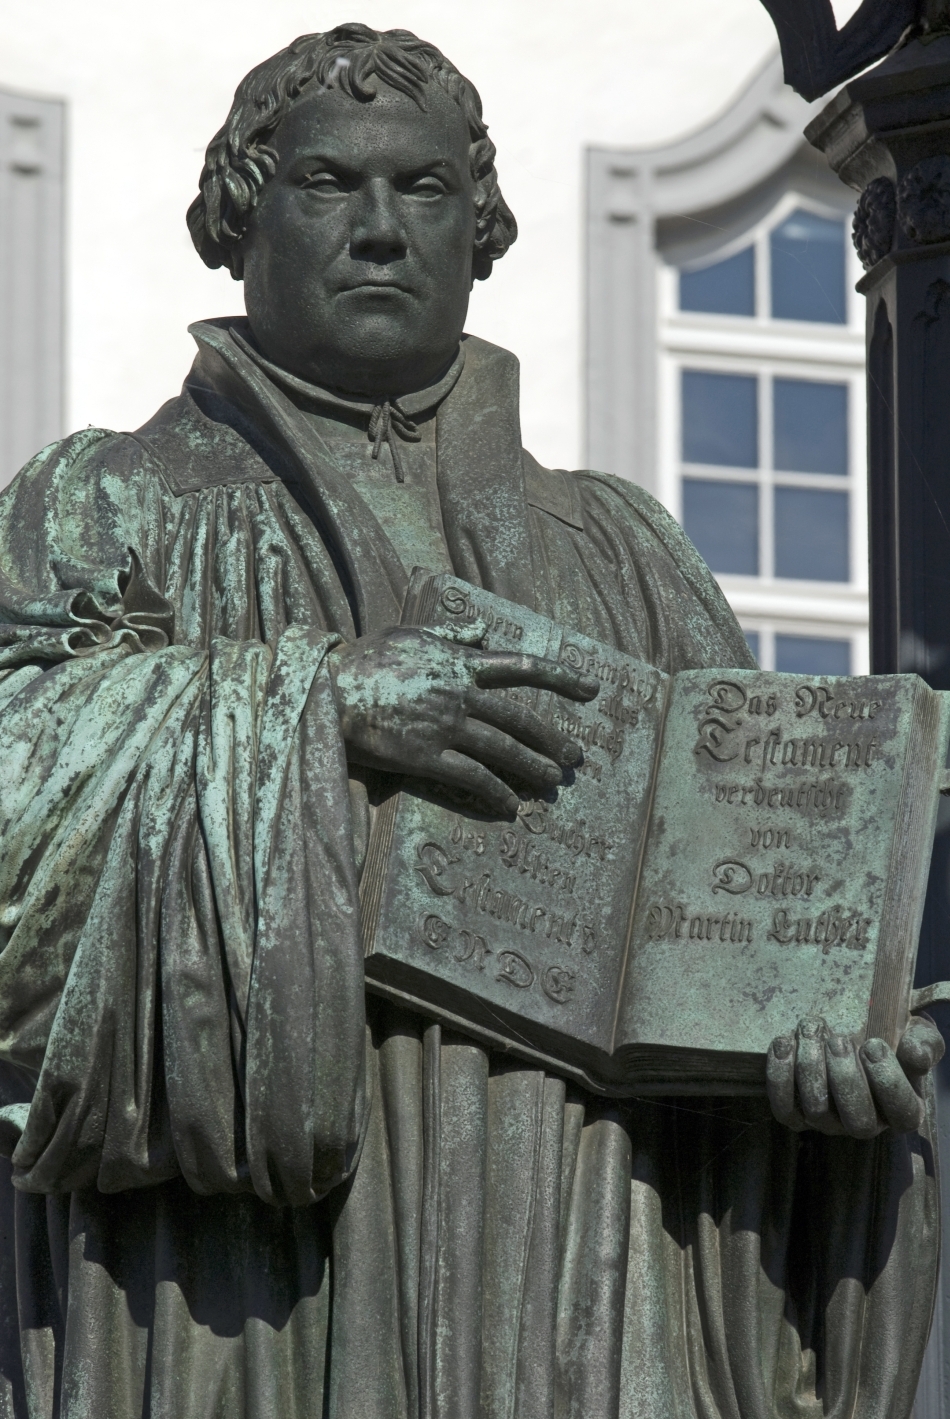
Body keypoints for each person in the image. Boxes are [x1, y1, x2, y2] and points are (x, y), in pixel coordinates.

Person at [0, 23, 942, 1419]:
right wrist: (315, 704)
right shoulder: (105, 506)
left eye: (424, 190)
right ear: (241, 216)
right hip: (254, 1273)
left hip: (595, 1247)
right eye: (328, 184)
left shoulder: (625, 550)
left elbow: (745, 922)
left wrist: (826, 1079)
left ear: (479, 223)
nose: (380, 229)